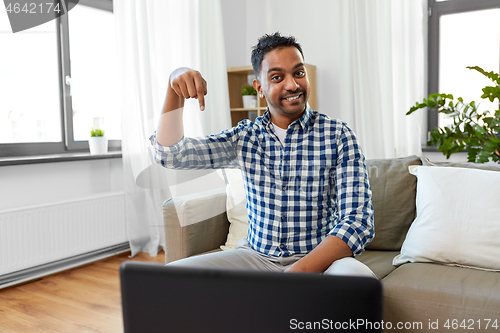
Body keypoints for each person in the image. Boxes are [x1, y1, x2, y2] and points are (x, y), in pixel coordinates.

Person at [150, 32, 376, 278]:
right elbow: (171, 155)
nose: (292, 85)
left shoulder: (338, 135)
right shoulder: (244, 137)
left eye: (299, 73)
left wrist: (296, 272)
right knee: (171, 278)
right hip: (255, 257)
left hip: (322, 261)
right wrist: (175, 87)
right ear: (259, 87)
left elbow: (357, 222)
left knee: (360, 280)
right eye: (277, 77)